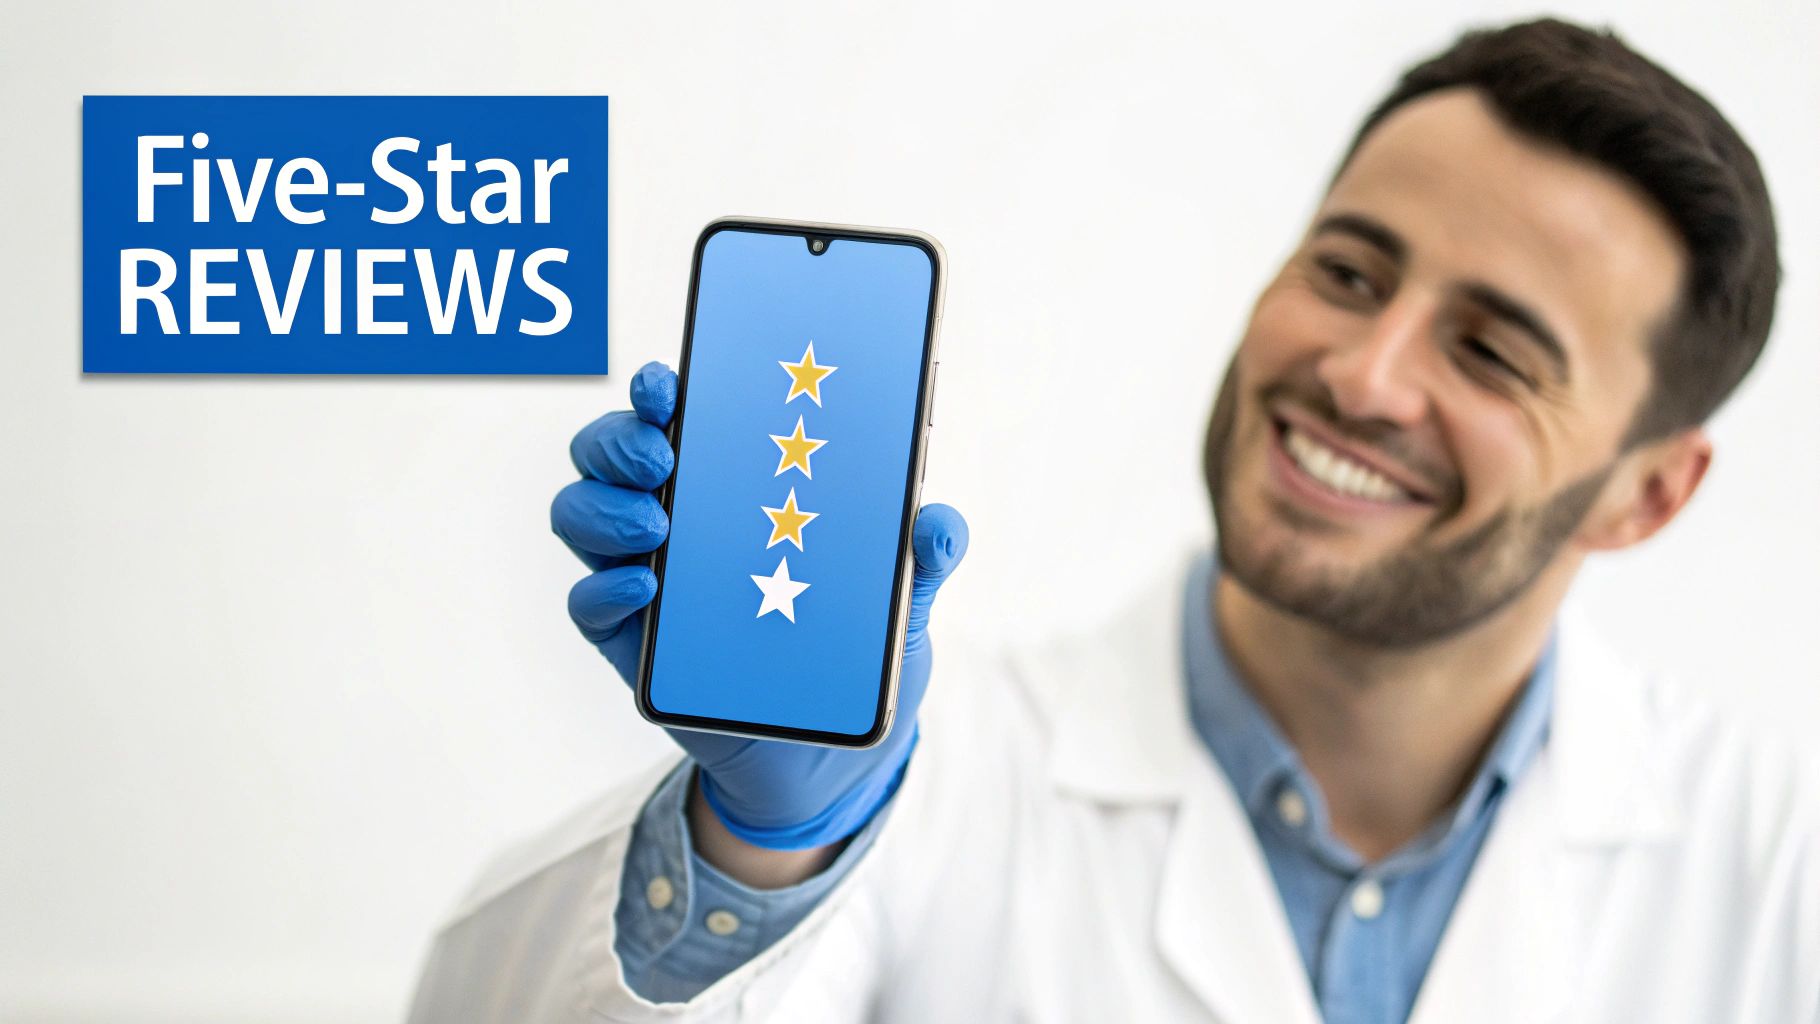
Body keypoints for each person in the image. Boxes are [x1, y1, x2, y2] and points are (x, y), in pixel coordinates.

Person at [407, 17, 1816, 1023]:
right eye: (1346, 268)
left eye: (1495, 354)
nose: (1365, 373)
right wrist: (761, 850)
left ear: (1649, 491)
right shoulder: (930, 791)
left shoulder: (1773, 873)